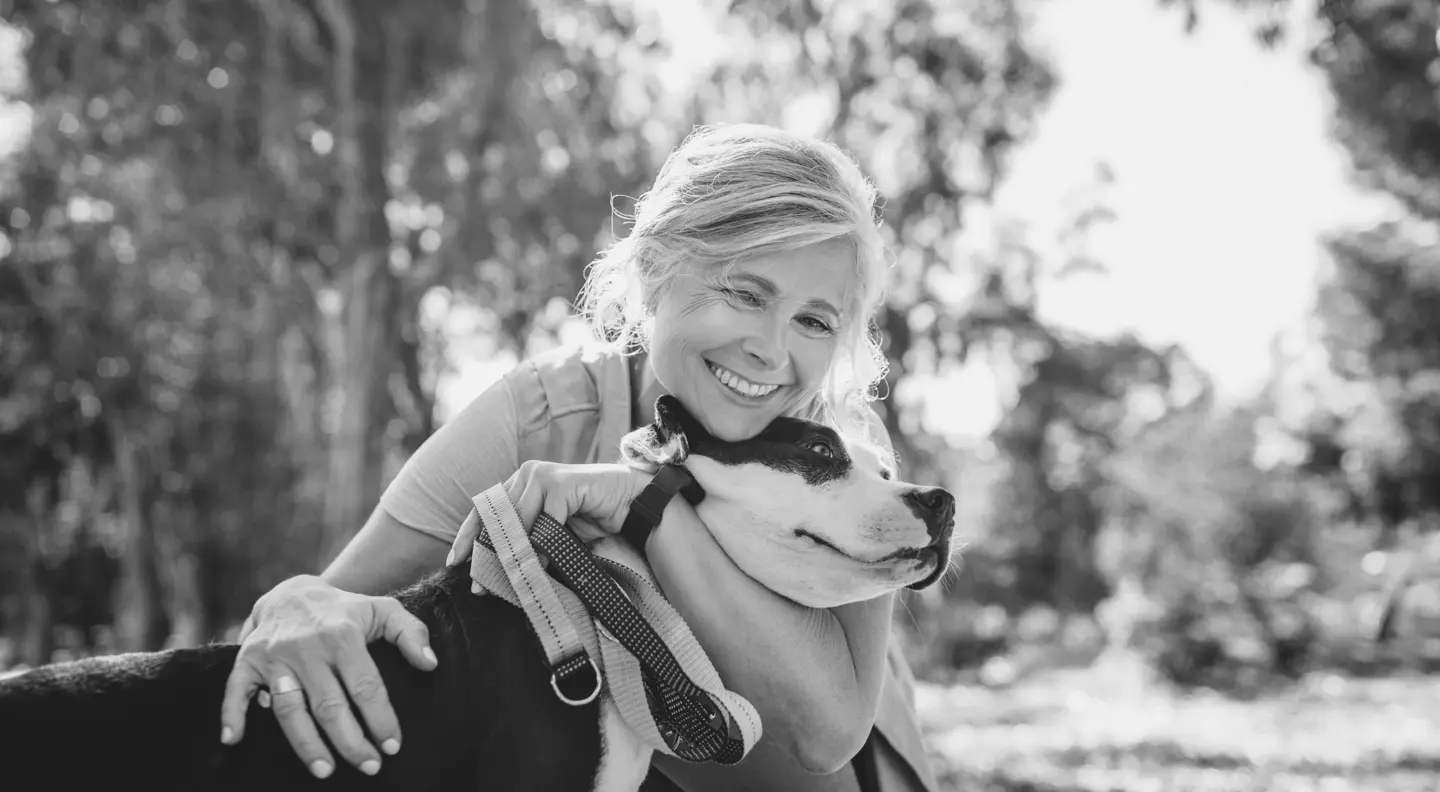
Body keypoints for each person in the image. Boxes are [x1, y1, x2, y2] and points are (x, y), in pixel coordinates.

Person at [217, 123, 940, 792]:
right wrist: (296, 603)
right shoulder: (543, 418)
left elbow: (825, 735)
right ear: (656, 268)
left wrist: (644, 504)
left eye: (814, 320)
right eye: (745, 293)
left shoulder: (845, 459)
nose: (772, 351)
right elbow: (335, 604)